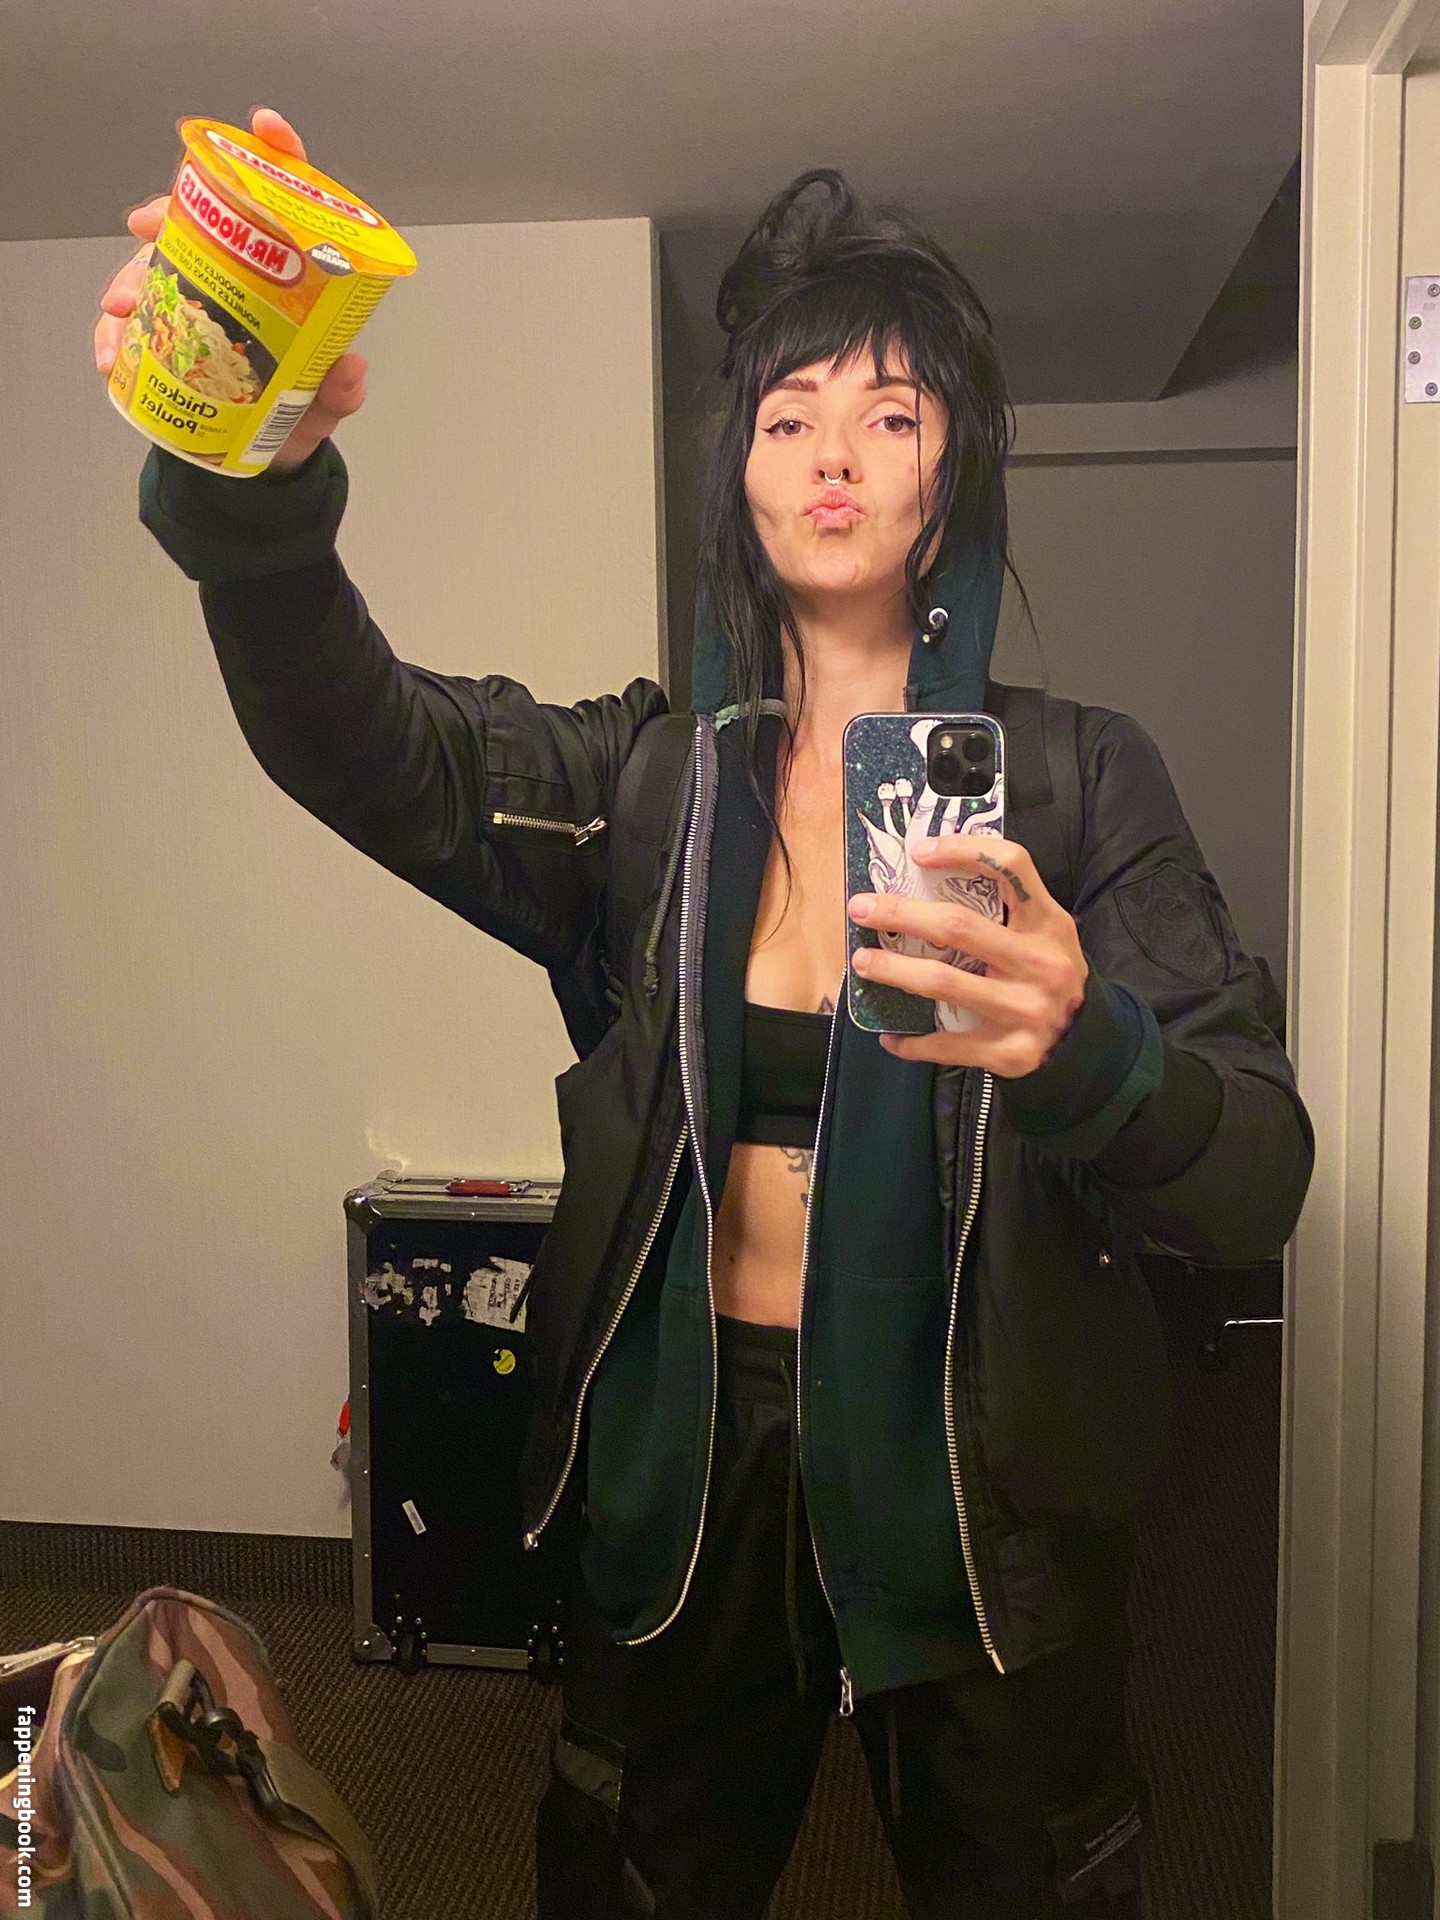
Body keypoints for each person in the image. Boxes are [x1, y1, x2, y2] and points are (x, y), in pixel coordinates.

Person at [96, 107, 1314, 1920]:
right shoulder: (651, 784)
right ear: (740, 473)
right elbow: (367, 744)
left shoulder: (1074, 785)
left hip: (975, 1480)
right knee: (634, 1877)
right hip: (688, 1460)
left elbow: (1258, 1173)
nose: (834, 452)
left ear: (956, 474)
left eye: (892, 415)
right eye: (788, 413)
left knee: (1027, 1878)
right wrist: (247, 479)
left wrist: (1090, 1050)